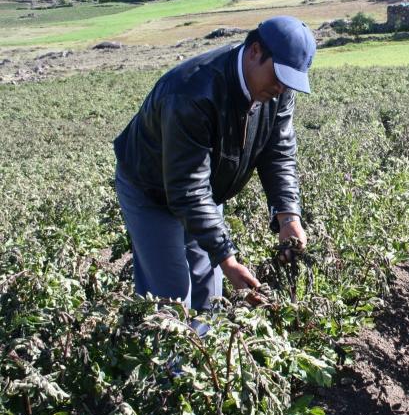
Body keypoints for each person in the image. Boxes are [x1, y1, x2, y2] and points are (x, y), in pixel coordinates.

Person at [113, 15, 314, 313]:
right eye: (279, 76)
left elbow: (278, 152)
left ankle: (203, 341)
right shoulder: (191, 93)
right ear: (255, 51)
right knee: (170, 296)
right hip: (151, 191)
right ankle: (168, 344)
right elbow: (187, 188)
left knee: (209, 293)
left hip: (205, 189)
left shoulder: (277, 91)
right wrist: (227, 259)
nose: (282, 88)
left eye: (290, 81)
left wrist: (288, 216)